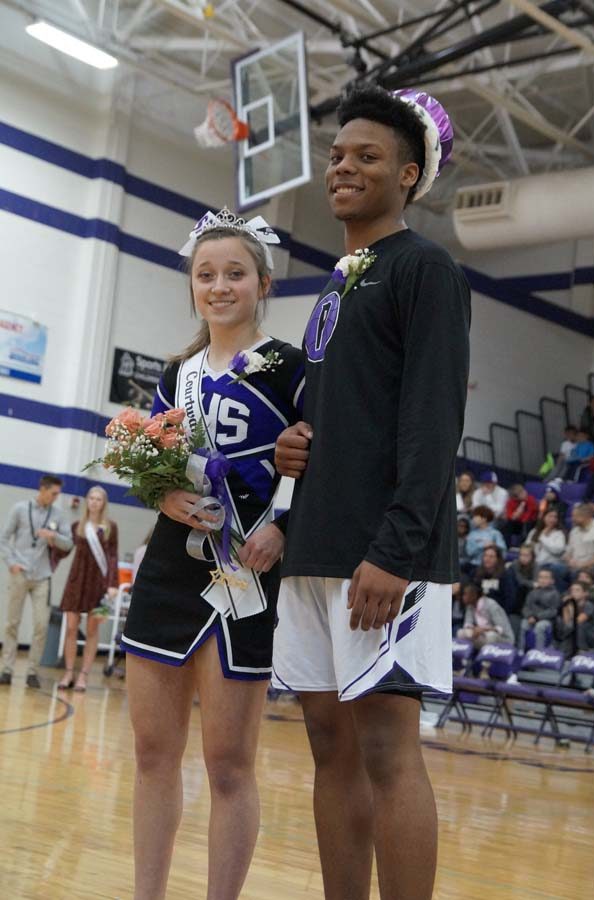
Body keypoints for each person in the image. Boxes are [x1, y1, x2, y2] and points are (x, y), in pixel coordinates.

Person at [272, 85, 470, 900]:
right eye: (337, 155)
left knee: (389, 749)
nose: (343, 167)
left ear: (409, 174)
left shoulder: (424, 269)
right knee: (328, 745)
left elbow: (433, 419)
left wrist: (393, 549)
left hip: (386, 557)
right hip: (316, 545)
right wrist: (293, 444)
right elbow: (339, 410)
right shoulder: (339, 281)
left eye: (368, 156)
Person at [120, 208, 304, 900]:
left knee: (229, 765)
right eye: (206, 275)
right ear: (192, 287)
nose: (219, 286)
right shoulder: (177, 375)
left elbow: (325, 459)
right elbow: (157, 467)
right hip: (171, 567)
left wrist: (285, 528)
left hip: (250, 571)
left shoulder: (292, 368)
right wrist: (162, 496)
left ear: (262, 282)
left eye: (234, 273)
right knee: (151, 753)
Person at [0, 475, 73, 689]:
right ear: (43, 489)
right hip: (20, 573)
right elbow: (3, 539)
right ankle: (7, 669)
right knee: (12, 623)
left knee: (41, 624)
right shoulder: (20, 509)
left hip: (42, 575)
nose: (56, 497)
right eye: (54, 493)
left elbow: (68, 544)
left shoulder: (58, 514)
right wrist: (12, 562)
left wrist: (53, 536)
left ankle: (32, 671)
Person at [58, 486, 119, 692]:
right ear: (87, 501)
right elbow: (64, 549)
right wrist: (52, 540)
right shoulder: (78, 526)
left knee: (93, 630)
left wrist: (112, 584)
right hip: (76, 581)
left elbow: (112, 557)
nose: (94, 502)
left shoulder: (111, 527)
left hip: (98, 584)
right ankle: (68, 672)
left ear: (104, 503)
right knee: (71, 628)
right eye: (91, 498)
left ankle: (83, 675)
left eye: (98, 499)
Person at [456, 582, 515, 648]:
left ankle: (487, 657)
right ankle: (466, 656)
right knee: (461, 633)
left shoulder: (492, 605)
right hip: (481, 635)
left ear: (474, 595)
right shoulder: (470, 606)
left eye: (465, 594)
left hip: (503, 638)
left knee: (491, 635)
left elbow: (500, 629)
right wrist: (473, 630)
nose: (463, 597)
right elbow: (467, 624)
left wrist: (482, 630)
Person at [518, 567, 561, 651]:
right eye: (541, 577)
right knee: (523, 624)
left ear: (552, 581)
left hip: (547, 620)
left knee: (540, 626)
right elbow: (526, 607)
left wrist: (537, 617)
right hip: (531, 618)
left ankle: (539, 651)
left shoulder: (555, 594)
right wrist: (529, 616)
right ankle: (521, 650)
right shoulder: (532, 592)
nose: (543, 580)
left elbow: (553, 611)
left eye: (546, 578)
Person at [555, 581, 594, 657]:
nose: (573, 593)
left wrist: (571, 610)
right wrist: (566, 607)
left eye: (577, 590)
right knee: (559, 621)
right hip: (575, 635)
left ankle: (582, 652)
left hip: (591, 637)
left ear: (585, 593)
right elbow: (567, 624)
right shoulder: (570, 604)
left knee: (578, 626)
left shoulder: (589, 606)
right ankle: (562, 651)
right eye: (572, 590)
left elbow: (578, 621)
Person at [525, 509, 568, 588]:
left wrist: (543, 537)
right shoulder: (534, 531)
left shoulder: (559, 533)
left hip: (551, 564)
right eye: (550, 516)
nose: (552, 519)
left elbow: (557, 550)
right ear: (544, 517)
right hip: (535, 562)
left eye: (555, 517)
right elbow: (526, 547)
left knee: (554, 569)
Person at [463, 505, 507, 570]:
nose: (473, 519)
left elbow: (504, 552)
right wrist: (482, 545)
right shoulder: (472, 534)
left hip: (492, 567)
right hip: (475, 565)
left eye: (475, 516)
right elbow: (469, 552)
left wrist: (493, 545)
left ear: (484, 518)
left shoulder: (495, 533)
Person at [565, 503, 594, 580]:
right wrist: (569, 560)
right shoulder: (574, 531)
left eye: (576, 516)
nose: (572, 519)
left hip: (592, 567)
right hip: (574, 565)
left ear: (587, 516)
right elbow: (568, 553)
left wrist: (583, 565)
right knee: (555, 568)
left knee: (577, 573)